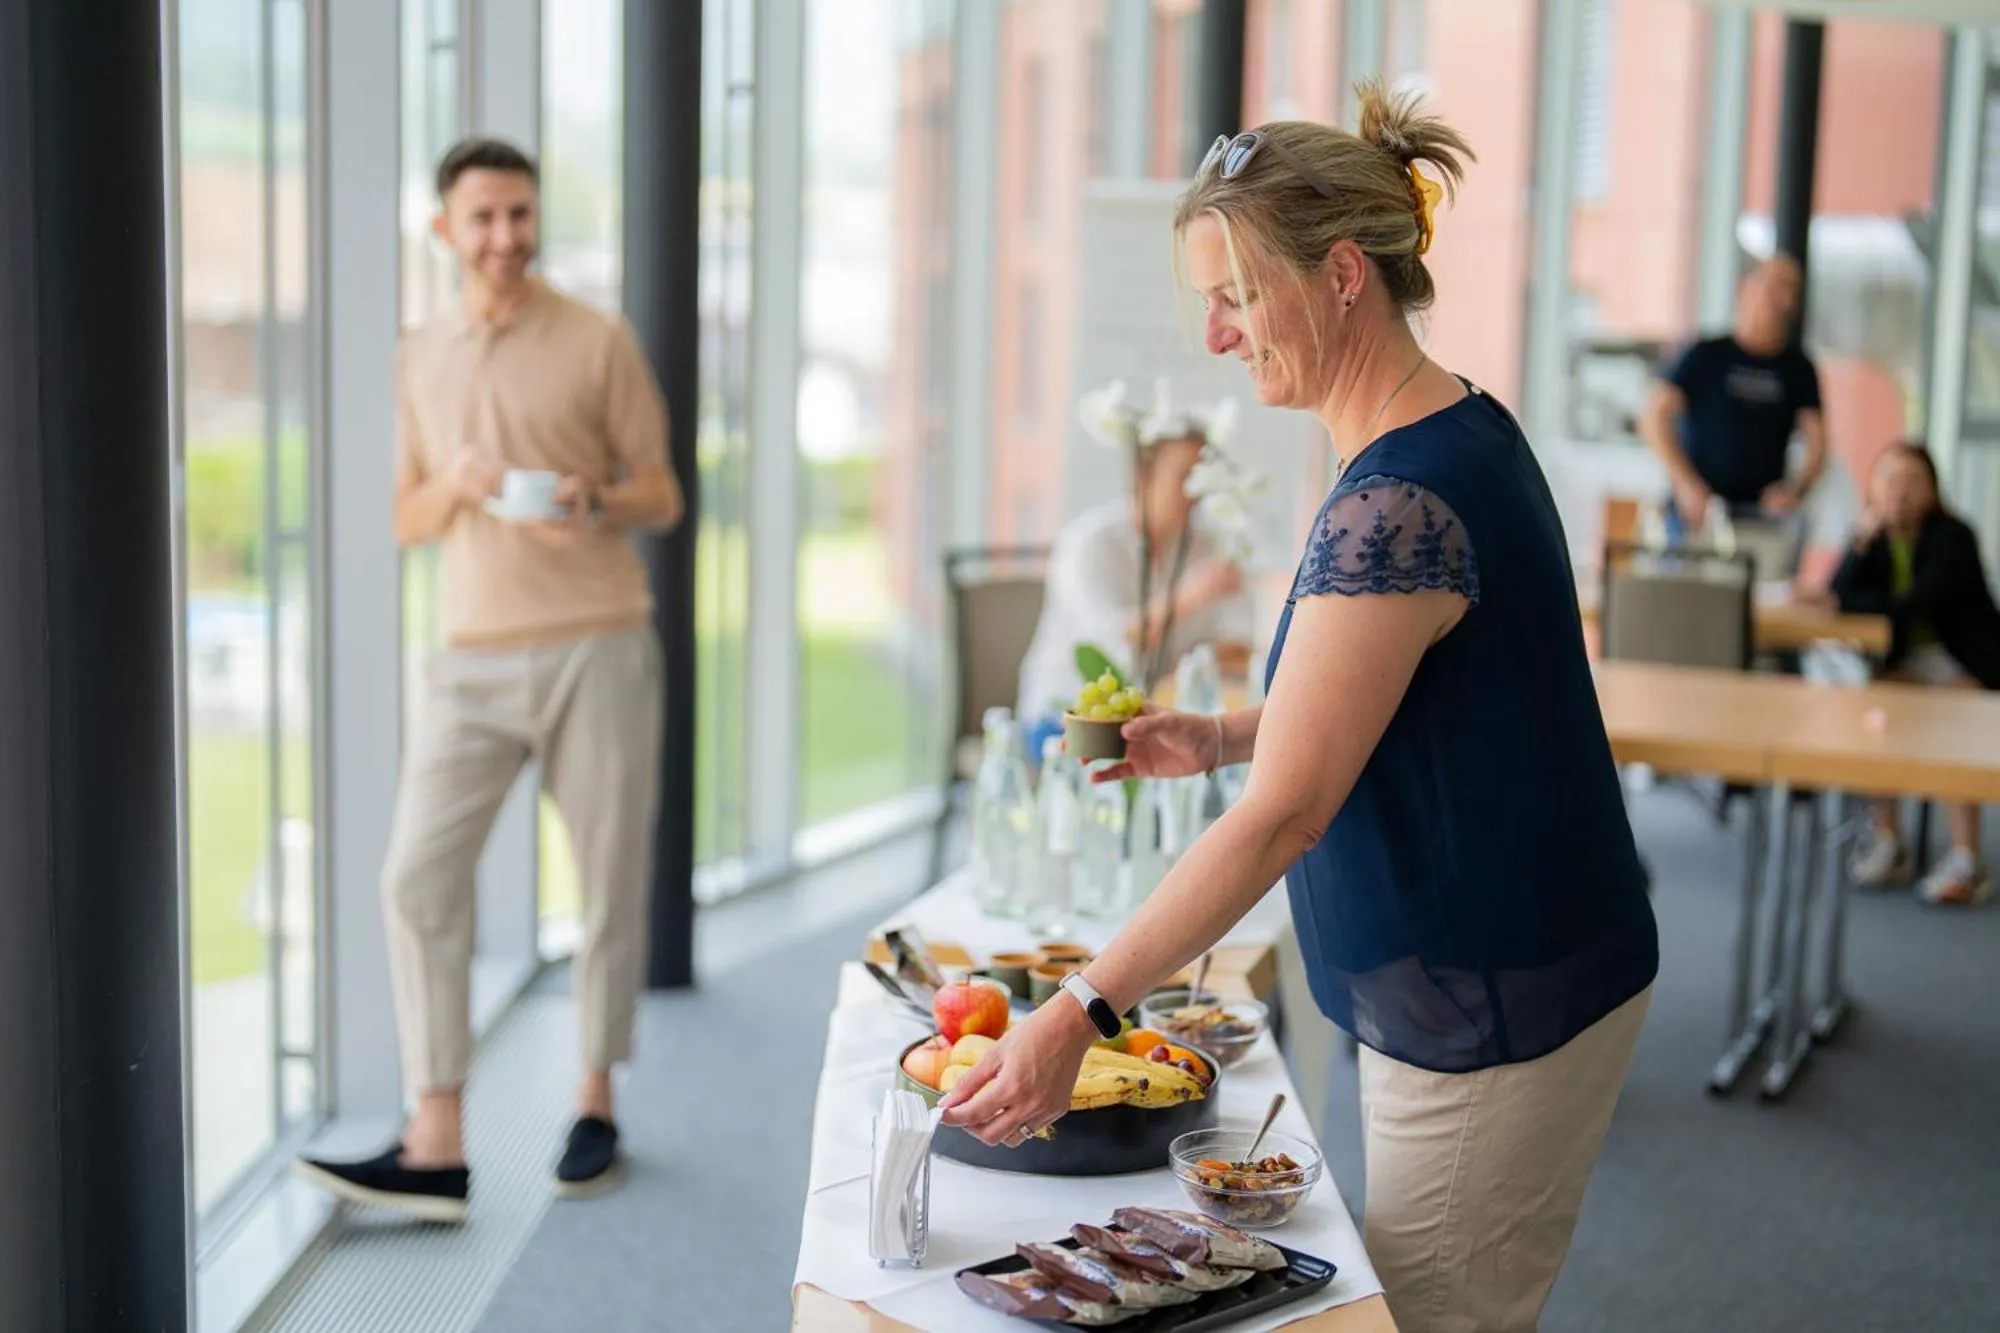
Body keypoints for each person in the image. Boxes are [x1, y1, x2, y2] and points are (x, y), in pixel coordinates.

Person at [941, 84, 1658, 1333]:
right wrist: (1219, 733)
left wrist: (1077, 1012)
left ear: (1338, 276)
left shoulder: (1398, 499)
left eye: (1233, 296)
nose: (1214, 337)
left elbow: (1282, 819)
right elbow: (1389, 703)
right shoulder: (1443, 433)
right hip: (1485, 970)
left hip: (1490, 999)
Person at [297, 138, 685, 1220]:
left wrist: (592, 498)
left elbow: (660, 492)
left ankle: (595, 1097)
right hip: (470, 659)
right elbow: (404, 514)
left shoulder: (595, 339)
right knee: (417, 879)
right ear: (445, 230)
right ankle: (437, 1138)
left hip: (596, 642)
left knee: (606, 881)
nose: (505, 236)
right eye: (483, 219)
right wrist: (460, 487)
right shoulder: (418, 353)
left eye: (520, 214)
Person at [1014, 380, 1254, 724]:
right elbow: (1110, 644)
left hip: (1159, 714)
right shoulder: (1089, 543)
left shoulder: (1209, 544)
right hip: (1067, 716)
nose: (1196, 491)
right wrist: (1187, 598)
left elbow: (1231, 642)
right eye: (1185, 476)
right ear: (1143, 477)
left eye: (1204, 476)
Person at [1829, 442, 1999, 905]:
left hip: (1962, 660)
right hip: (1903, 664)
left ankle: (1967, 858)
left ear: (1932, 490)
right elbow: (1839, 594)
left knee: (1951, 720)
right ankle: (1889, 841)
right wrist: (1860, 543)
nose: (1900, 492)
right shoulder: (1875, 537)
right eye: (1890, 480)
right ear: (1874, 487)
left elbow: (1913, 606)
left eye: (1912, 481)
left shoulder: (1953, 536)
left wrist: (1868, 605)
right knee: (1873, 714)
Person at [1640, 254, 1829, 547]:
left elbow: (1817, 443)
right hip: (1697, 514)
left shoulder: (1798, 368)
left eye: (1792, 291)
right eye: (1775, 286)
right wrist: (1684, 482)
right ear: (1746, 288)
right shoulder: (1706, 354)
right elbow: (1653, 417)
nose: (1784, 299)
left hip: (1759, 521)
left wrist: (1794, 490)